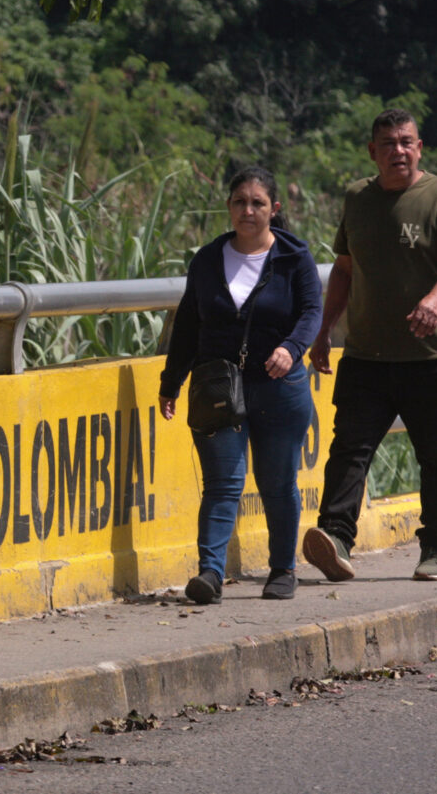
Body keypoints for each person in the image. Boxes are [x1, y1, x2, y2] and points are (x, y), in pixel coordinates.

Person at [302, 108, 437, 583]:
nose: (397, 151)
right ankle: (336, 537)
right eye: (388, 143)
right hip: (365, 354)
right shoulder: (358, 198)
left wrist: (436, 299)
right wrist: (324, 330)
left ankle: (436, 548)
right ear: (372, 151)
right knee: (349, 450)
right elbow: (343, 268)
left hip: (429, 355)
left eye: (406, 142)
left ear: (419, 148)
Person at [159, 167, 323, 604]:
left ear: (275, 208)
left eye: (257, 203)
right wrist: (171, 381)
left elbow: (312, 312)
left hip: (279, 384)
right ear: (229, 206)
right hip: (218, 386)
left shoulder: (294, 257)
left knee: (277, 481)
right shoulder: (208, 259)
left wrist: (292, 348)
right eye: (239, 202)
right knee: (221, 483)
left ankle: (282, 569)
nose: (247, 211)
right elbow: (189, 323)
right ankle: (209, 574)